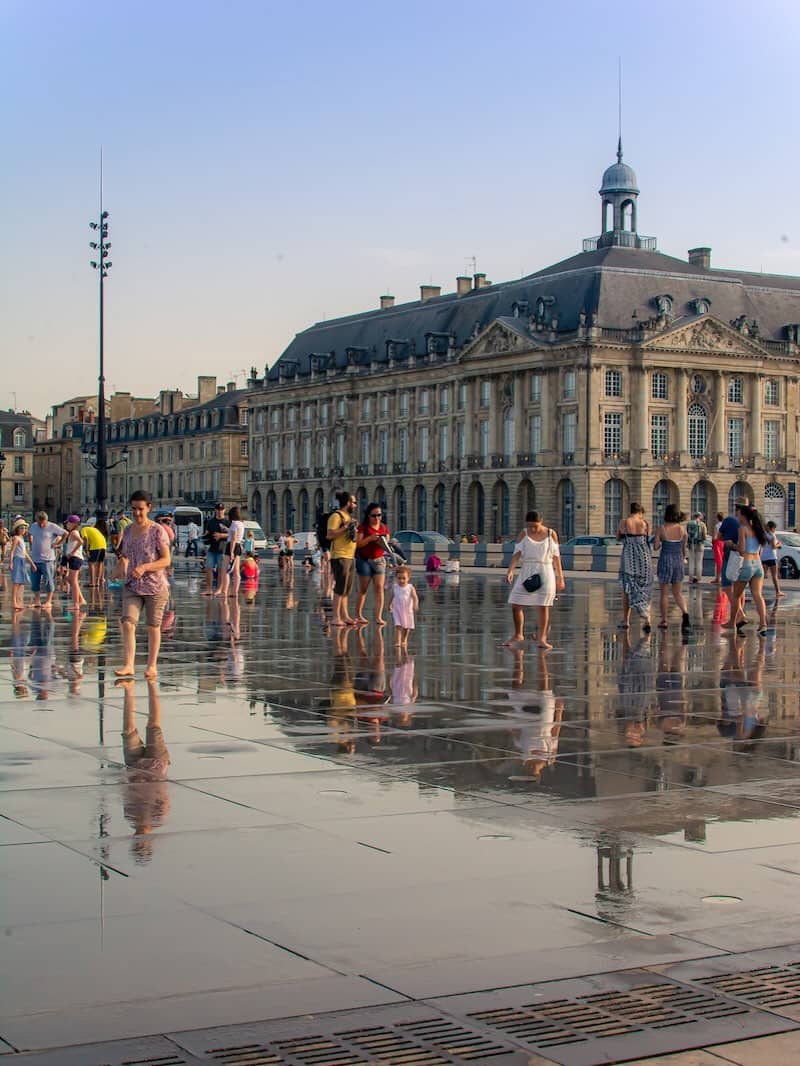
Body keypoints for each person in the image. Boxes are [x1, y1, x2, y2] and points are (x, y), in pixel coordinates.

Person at [114, 490, 172, 679]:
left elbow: (166, 560)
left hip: (155, 586)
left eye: (140, 509)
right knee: (128, 623)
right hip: (132, 585)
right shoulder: (129, 530)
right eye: (133, 509)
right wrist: (118, 569)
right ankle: (129, 664)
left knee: (152, 627)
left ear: (149, 508)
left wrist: (146, 567)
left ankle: (152, 666)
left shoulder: (157, 530)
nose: (137, 513)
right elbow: (125, 555)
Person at [504, 510, 565, 649]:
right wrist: (510, 570)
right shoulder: (524, 534)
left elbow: (556, 557)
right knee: (515, 603)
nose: (533, 529)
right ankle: (518, 634)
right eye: (530, 526)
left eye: (535, 526)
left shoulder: (551, 534)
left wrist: (560, 577)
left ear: (541, 522)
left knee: (543, 606)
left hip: (546, 570)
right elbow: (517, 554)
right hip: (528, 570)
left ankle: (542, 638)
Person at [731, 504, 769, 635]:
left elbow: (741, 549)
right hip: (758, 563)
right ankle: (763, 623)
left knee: (735, 595)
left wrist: (731, 545)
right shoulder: (759, 529)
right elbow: (760, 549)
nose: (738, 516)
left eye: (739, 514)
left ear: (744, 516)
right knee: (758, 595)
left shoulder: (743, 529)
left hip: (746, 563)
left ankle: (735, 620)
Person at [616, 502, 652, 632]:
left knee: (627, 587)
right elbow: (648, 538)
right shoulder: (645, 523)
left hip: (628, 556)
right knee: (644, 586)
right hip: (643, 555)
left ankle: (626, 620)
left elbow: (618, 536)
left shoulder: (624, 522)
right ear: (640, 512)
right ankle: (647, 619)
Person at [653, 504, 690, 630]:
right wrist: (684, 558)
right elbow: (684, 549)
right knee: (677, 593)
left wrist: (658, 540)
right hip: (678, 561)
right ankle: (685, 613)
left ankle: (664, 620)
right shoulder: (682, 530)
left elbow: (656, 547)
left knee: (664, 594)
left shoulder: (661, 528)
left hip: (665, 561)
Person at [354, 502, 391, 625]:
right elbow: (358, 544)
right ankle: (358, 614)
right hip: (364, 559)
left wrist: (384, 541)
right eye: (374, 516)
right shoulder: (362, 527)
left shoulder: (384, 527)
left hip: (379, 560)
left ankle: (379, 617)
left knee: (379, 588)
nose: (377, 518)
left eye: (379, 515)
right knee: (363, 589)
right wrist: (370, 539)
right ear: (368, 516)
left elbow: (387, 543)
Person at [326, 491, 359, 626]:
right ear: (348, 503)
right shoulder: (336, 516)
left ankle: (345, 616)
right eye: (354, 502)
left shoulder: (348, 517)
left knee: (346, 589)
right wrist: (346, 527)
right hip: (339, 556)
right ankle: (336, 617)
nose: (355, 505)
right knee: (340, 588)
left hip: (350, 556)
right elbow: (329, 535)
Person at [28, 511, 66, 611]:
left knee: (48, 581)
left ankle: (48, 601)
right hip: (35, 559)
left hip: (47, 560)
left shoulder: (52, 526)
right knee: (34, 581)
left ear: (46, 520)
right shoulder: (34, 526)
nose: (41, 525)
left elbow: (65, 533)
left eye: (43, 523)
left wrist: (58, 544)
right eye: (39, 523)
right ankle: (37, 600)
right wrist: (31, 544)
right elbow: (29, 533)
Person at [719, 499, 748, 625]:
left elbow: (718, 537)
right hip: (747, 558)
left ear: (736, 509)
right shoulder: (750, 524)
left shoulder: (729, 520)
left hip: (731, 555)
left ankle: (740, 614)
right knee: (740, 589)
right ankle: (738, 616)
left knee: (727, 585)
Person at [7, 518, 35, 611]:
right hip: (17, 560)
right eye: (21, 528)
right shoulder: (16, 538)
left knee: (20, 583)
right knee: (16, 582)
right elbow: (12, 551)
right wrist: (10, 562)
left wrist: (31, 563)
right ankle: (14, 602)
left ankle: (18, 601)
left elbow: (25, 553)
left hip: (22, 560)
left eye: (24, 528)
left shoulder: (22, 539)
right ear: (17, 529)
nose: (23, 530)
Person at [387, 564, 418, 647]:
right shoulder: (395, 587)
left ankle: (404, 639)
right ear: (396, 578)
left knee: (406, 627)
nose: (401, 580)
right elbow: (392, 596)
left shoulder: (410, 587)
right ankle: (398, 641)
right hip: (397, 609)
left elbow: (415, 597)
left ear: (408, 578)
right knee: (398, 625)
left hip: (407, 610)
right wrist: (389, 604)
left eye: (404, 578)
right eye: (399, 578)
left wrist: (415, 605)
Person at [217, 506, 244, 598]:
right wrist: (227, 530)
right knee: (236, 572)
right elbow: (235, 535)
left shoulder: (234, 524)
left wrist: (231, 552)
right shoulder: (241, 524)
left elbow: (233, 538)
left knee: (225, 570)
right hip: (238, 546)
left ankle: (224, 592)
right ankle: (235, 592)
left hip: (232, 546)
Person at [203, 503, 228, 595]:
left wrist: (221, 535)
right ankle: (209, 589)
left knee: (221, 570)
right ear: (215, 510)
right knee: (208, 568)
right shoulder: (211, 522)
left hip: (223, 549)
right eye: (218, 509)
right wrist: (205, 536)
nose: (219, 511)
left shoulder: (227, 522)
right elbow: (207, 533)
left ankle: (219, 589)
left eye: (221, 509)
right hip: (212, 548)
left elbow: (233, 535)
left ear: (224, 510)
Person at [63, 515, 87, 612]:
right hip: (75, 558)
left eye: (68, 523)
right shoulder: (74, 532)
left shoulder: (73, 532)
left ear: (73, 524)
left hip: (75, 558)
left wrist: (72, 552)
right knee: (71, 580)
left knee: (73, 581)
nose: (67, 525)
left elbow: (81, 542)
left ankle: (76, 604)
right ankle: (81, 599)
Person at [81, 520, 108, 588]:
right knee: (100, 563)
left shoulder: (83, 529)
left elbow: (86, 539)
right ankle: (97, 582)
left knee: (91, 563)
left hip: (95, 546)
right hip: (103, 545)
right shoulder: (94, 529)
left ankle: (92, 583)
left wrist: (86, 550)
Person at [762, 521, 783, 600]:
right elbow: (774, 546)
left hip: (764, 557)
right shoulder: (772, 535)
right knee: (774, 576)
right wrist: (779, 544)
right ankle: (778, 591)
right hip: (772, 557)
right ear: (773, 528)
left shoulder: (764, 535)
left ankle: (759, 591)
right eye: (775, 528)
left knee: (763, 576)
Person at [686, 511, 708, 584]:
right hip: (699, 544)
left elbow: (687, 534)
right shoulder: (702, 524)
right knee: (699, 562)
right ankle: (699, 579)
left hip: (690, 545)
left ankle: (690, 579)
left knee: (691, 562)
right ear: (700, 516)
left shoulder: (689, 524)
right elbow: (704, 536)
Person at [711, 512, 725, 583]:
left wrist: (712, 542)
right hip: (723, 543)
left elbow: (715, 536)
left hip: (718, 543)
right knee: (723, 560)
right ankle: (722, 577)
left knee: (718, 561)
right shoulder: (725, 525)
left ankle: (718, 577)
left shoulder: (717, 525)